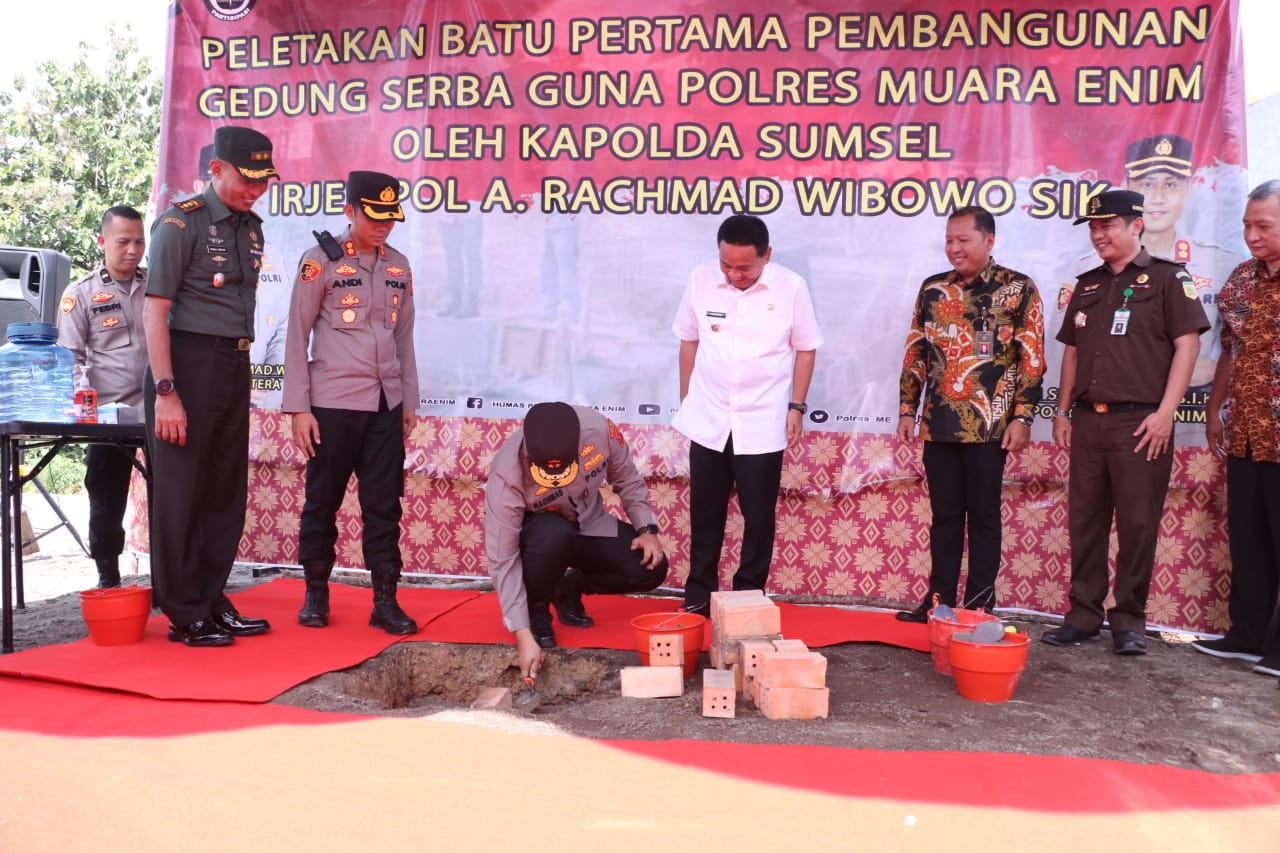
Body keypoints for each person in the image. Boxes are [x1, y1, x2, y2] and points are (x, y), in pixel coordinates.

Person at [1042, 189, 1209, 656]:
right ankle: (1082, 614)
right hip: (1089, 422)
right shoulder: (1087, 285)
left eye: (1107, 225)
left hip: (1141, 423)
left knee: (1138, 523)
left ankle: (1129, 619)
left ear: (1136, 225)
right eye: (1093, 227)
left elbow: (1188, 346)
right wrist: (1061, 410)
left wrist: (1166, 413)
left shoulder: (1168, 279)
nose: (1099, 235)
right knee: (1086, 522)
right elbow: (1071, 352)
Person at [143, 125, 279, 648]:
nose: (255, 189)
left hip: (232, 364)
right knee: (181, 492)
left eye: (264, 180)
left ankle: (210, 595)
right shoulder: (180, 224)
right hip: (186, 364)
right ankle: (183, 611)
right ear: (216, 169)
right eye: (247, 179)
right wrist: (166, 391)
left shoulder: (251, 228)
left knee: (224, 489)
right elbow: (154, 313)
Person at [284, 170, 420, 635]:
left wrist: (409, 401)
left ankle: (385, 600)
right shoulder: (318, 262)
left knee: (384, 505)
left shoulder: (399, 265)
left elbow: (405, 338)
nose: (383, 225)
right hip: (332, 405)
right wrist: (299, 408)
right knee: (322, 500)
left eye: (390, 217)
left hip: (385, 404)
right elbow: (296, 336)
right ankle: (316, 593)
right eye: (374, 216)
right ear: (350, 211)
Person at [894, 206, 1046, 622]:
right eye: (949, 240)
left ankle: (980, 604)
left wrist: (1023, 417)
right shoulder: (932, 289)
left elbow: (1031, 358)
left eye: (963, 240)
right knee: (944, 517)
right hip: (938, 422)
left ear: (988, 241)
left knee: (982, 516)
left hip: (991, 425)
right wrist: (908, 408)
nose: (954, 248)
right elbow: (917, 352)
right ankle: (938, 602)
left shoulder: (1018, 289)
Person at [671, 214, 823, 615]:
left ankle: (747, 596)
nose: (734, 275)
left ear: (766, 256)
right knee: (706, 513)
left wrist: (797, 406)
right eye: (727, 265)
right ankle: (698, 594)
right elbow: (688, 342)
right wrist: (687, 399)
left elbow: (806, 348)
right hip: (709, 419)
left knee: (758, 516)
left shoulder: (791, 287)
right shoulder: (701, 280)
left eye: (744, 268)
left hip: (763, 419)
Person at [485, 402, 668, 679]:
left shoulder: (599, 431)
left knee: (651, 566)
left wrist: (647, 530)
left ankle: (568, 588)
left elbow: (627, 479)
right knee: (554, 534)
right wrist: (522, 635)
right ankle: (536, 610)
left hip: (589, 524)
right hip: (542, 541)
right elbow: (503, 559)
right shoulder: (505, 474)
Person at [1196, 180, 1280, 677]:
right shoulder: (1242, 279)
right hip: (1247, 429)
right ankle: (1245, 635)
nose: (1251, 235)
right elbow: (1229, 347)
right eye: (1247, 224)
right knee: (1249, 539)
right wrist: (1214, 408)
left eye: (1263, 226)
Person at [55, 205, 148, 589]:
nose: (132, 250)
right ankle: (108, 577)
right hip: (109, 417)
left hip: (160, 412)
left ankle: (171, 578)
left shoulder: (159, 287)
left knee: (173, 497)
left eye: (139, 241)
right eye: (123, 241)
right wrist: (85, 407)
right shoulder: (81, 294)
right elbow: (70, 359)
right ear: (102, 242)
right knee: (106, 495)